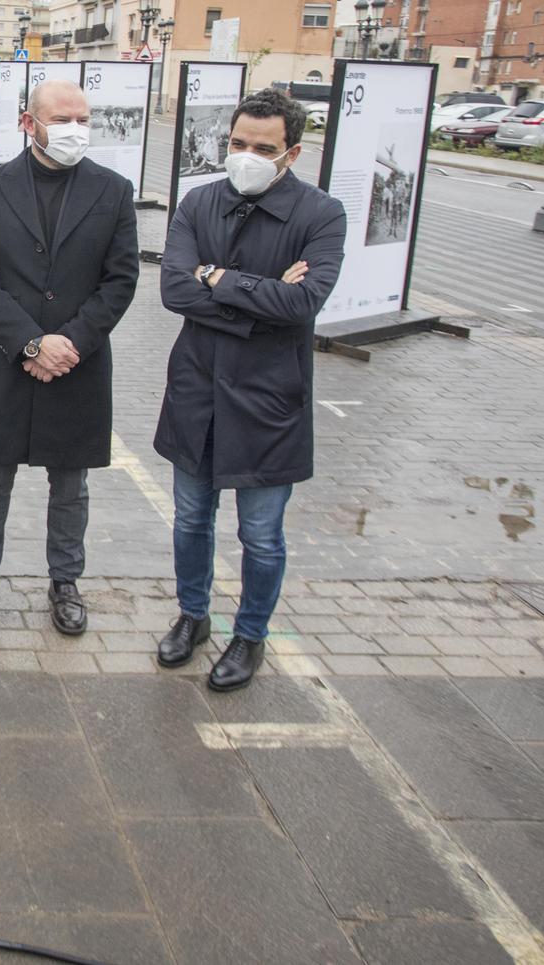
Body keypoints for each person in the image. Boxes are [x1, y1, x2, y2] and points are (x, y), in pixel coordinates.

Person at [153, 88, 347, 692]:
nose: (246, 156)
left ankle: (251, 635)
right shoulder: (199, 202)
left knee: (260, 534)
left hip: (269, 400)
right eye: (237, 144)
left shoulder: (321, 214)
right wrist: (256, 293)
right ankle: (193, 615)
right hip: (199, 392)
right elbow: (174, 291)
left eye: (262, 148)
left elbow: (304, 301)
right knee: (190, 518)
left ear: (290, 153)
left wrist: (217, 278)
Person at [0, 79, 139, 636]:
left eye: (83, 119)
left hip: (79, 363)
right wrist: (32, 342)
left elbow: (121, 279)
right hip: (8, 357)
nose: (74, 131)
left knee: (71, 482)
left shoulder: (112, 190)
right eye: (61, 120)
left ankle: (65, 581)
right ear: (27, 123)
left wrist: (72, 343)